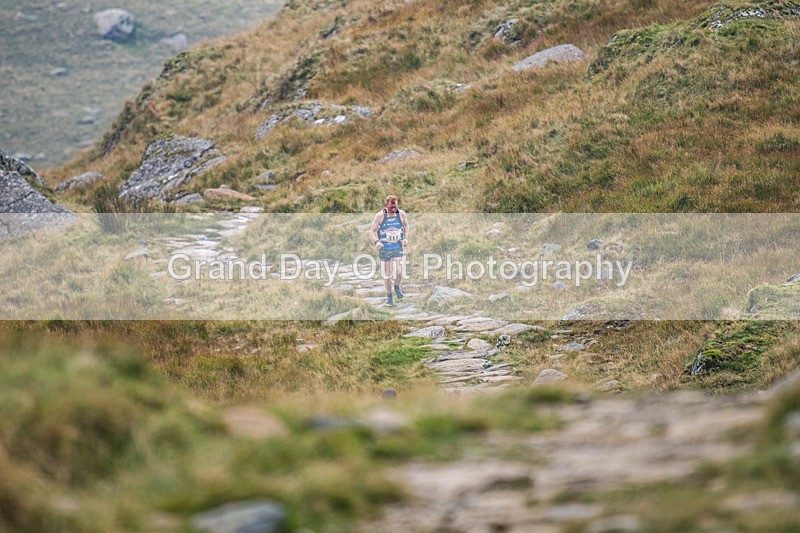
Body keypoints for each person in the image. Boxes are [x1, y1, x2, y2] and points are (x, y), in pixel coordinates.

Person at [368, 195, 409, 307]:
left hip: (397, 246)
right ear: (386, 205)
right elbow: (371, 231)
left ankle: (396, 286)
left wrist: (405, 238)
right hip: (385, 248)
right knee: (387, 274)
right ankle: (389, 296)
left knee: (399, 272)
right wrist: (377, 242)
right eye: (391, 207)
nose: (393, 209)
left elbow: (405, 225)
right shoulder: (380, 216)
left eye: (395, 206)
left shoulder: (401, 214)